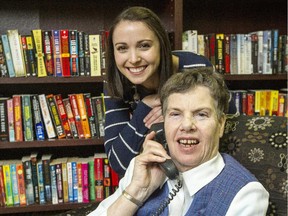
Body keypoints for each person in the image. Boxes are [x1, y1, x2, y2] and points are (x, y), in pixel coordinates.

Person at [89, 68, 269, 216]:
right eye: (175, 114)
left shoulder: (246, 194)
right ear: (163, 124)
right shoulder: (142, 168)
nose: (187, 125)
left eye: (201, 114)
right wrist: (136, 192)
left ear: (221, 124)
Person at [104, 6, 236, 176]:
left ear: (162, 45)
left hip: (201, 172)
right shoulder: (115, 80)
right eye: (122, 48)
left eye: (144, 46)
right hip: (152, 177)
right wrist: (144, 109)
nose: (133, 59)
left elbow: (231, 128)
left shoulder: (196, 68)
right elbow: (118, 163)